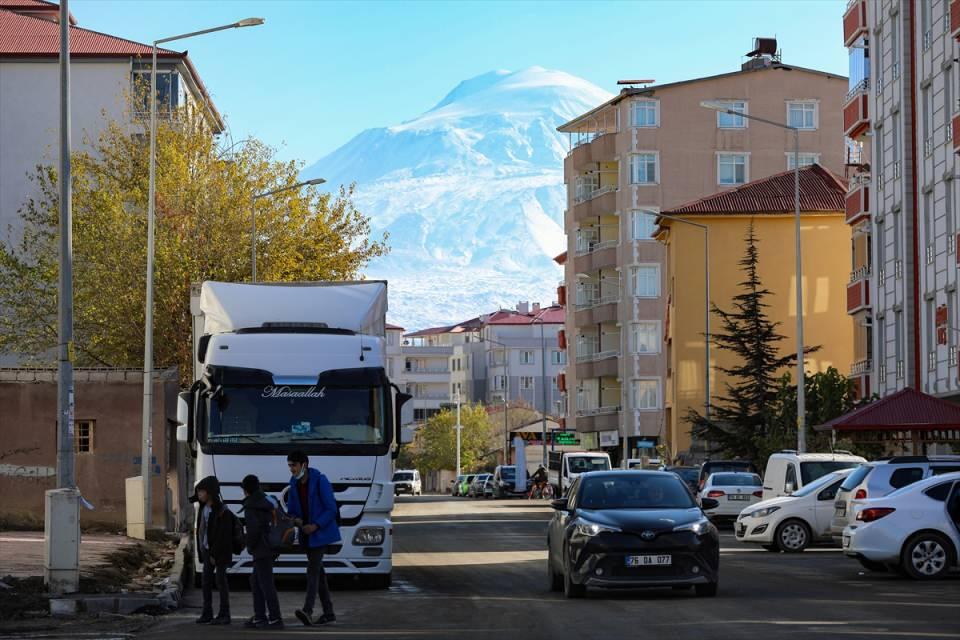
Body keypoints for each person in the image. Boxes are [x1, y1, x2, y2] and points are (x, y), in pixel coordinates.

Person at [286, 450, 340, 627]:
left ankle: (307, 610)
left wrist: (316, 525)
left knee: (312, 570)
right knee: (319, 574)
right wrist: (296, 519)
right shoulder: (293, 483)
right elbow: (292, 509)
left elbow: (331, 509)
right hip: (306, 534)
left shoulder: (320, 480)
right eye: (289, 465)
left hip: (320, 534)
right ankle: (329, 612)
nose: (291, 469)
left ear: (304, 465)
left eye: (294, 465)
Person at [241, 474, 283, 629]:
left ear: (246, 490)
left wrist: (249, 546)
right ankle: (260, 616)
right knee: (256, 582)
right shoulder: (267, 500)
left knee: (265, 584)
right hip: (271, 546)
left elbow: (253, 531)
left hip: (261, 549)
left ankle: (275, 618)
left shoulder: (251, 506)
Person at [191, 476, 234, 625]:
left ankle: (224, 613)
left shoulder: (222, 511)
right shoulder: (204, 507)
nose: (199, 495)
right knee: (206, 582)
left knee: (221, 582)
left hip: (219, 552)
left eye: (201, 492)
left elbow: (223, 536)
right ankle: (207, 612)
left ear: (209, 493)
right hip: (208, 551)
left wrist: (215, 554)